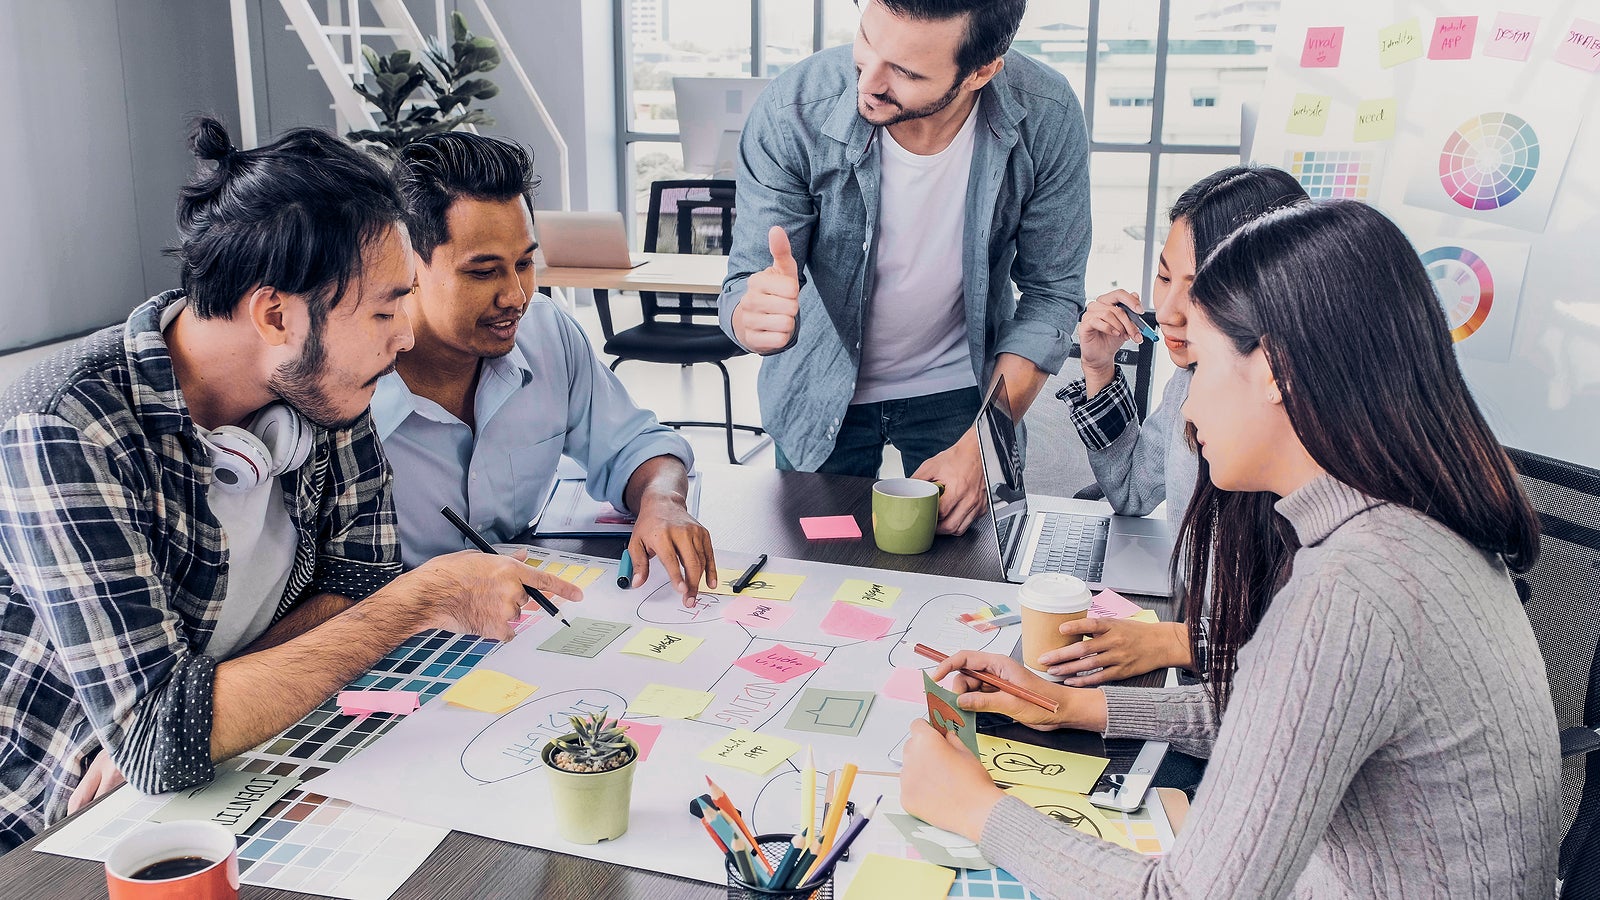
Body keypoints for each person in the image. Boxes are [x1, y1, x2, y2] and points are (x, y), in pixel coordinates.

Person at [899, 200, 1560, 897]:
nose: (1186, 409)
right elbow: (1273, 721)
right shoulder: (1410, 531)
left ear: (1273, 371)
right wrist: (1071, 707)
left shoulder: (1353, 589)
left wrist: (974, 808)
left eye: (1205, 367)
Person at [0, 119, 579, 852]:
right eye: (384, 309)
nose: (404, 337)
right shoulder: (64, 427)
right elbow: (152, 741)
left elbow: (356, 582)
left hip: (244, 755)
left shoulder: (328, 380)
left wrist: (205, 712)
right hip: (63, 817)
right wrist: (423, 597)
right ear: (276, 314)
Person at [718, 0, 1089, 536]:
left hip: (963, 393)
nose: (867, 82)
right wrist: (751, 315)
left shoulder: (1046, 114)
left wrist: (986, 441)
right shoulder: (793, 109)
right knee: (814, 573)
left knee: (964, 585)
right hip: (819, 392)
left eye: (907, 72)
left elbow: (1051, 293)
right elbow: (744, 280)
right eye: (867, 41)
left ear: (981, 72)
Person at [376, 132, 714, 604]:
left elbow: (636, 446)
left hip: (523, 621)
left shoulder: (545, 333)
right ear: (406, 266)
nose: (515, 296)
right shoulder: (348, 387)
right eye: (483, 271)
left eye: (525, 263)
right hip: (397, 636)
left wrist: (663, 500)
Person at [1045, 166, 1308, 687]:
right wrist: (1099, 369)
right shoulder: (1188, 384)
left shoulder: (1292, 427)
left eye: (1198, 288)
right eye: (1164, 277)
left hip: (1235, 680)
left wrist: (1174, 641)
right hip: (1197, 661)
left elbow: (1302, 650)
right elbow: (1130, 490)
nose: (1166, 311)